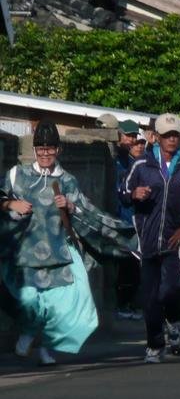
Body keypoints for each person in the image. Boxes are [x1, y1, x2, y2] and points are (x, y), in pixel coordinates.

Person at [1, 120, 134, 365]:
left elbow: (86, 211)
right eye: (40, 148)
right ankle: (30, 330)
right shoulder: (16, 174)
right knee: (28, 300)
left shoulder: (67, 180)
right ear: (34, 149)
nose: (45, 153)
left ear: (58, 150)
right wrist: (11, 204)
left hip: (58, 253)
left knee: (59, 308)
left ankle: (46, 348)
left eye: (50, 148)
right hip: (23, 253)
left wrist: (71, 206)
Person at [123, 113, 180, 363]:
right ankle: (154, 344)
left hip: (176, 239)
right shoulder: (141, 165)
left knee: (172, 288)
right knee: (150, 298)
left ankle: (176, 320)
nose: (172, 139)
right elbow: (122, 192)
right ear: (156, 137)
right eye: (167, 135)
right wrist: (134, 193)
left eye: (175, 135)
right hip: (148, 238)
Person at [114, 119, 143, 321]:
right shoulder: (115, 158)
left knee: (134, 265)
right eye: (129, 136)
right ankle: (122, 304)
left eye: (135, 137)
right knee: (125, 264)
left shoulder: (135, 162)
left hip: (133, 220)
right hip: (119, 220)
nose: (132, 140)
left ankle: (129, 303)